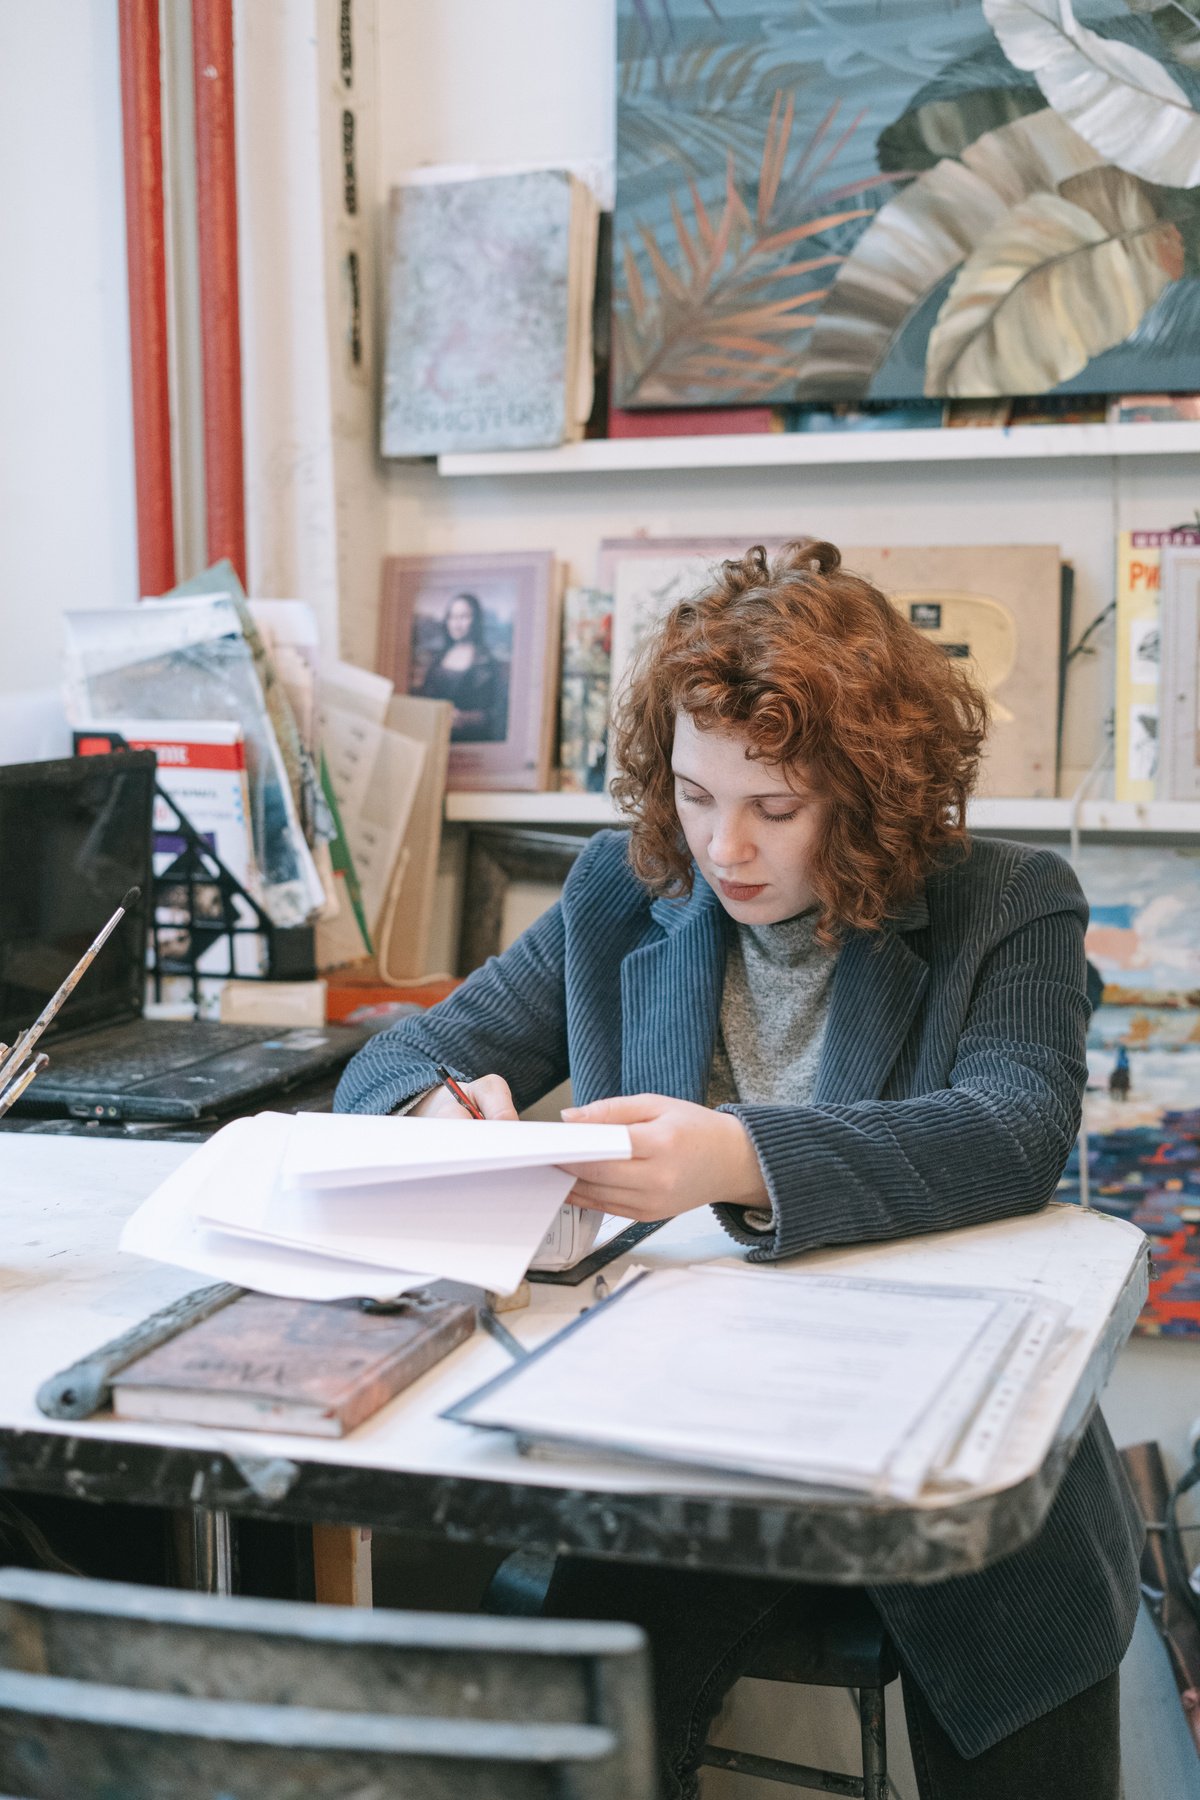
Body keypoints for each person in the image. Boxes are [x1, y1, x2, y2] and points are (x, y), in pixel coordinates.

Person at [336, 540, 1141, 1800]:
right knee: (577, 1732)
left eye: (775, 808)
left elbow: (1011, 1127)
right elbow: (400, 1060)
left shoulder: (1011, 901)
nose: (724, 846)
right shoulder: (621, 886)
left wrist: (738, 1155)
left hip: (948, 1460)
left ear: (872, 793)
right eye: (696, 795)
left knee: (1019, 1718)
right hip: (684, 1445)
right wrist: (444, 1109)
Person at [417, 590, 509, 742]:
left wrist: (467, 719)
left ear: (476, 620)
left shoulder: (488, 664)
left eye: (464, 617)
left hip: (472, 742)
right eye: (452, 617)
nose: (457, 624)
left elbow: (499, 712)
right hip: (436, 739)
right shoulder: (436, 660)